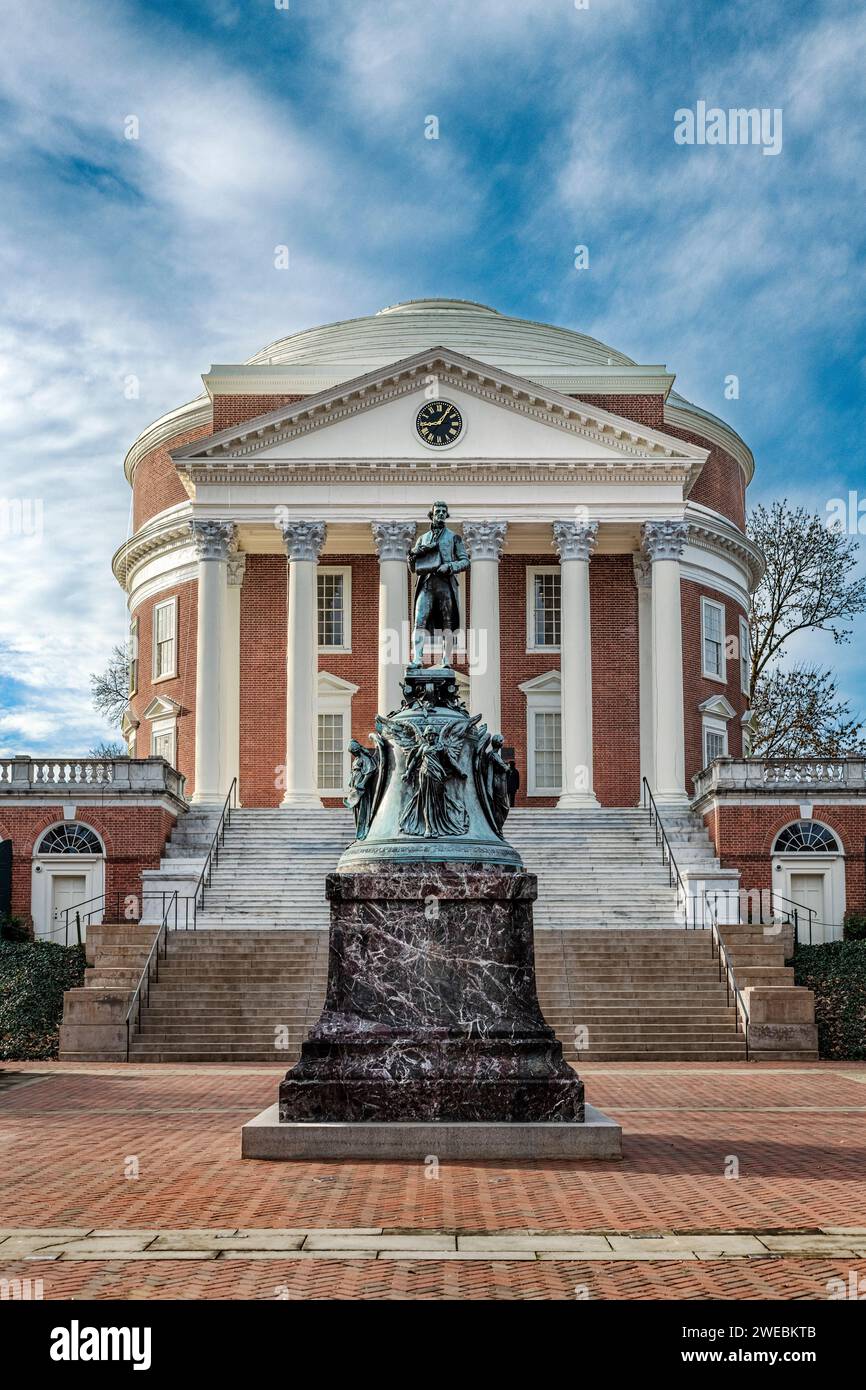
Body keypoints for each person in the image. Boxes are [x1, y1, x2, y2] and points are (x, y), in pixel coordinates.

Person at [408, 500, 468, 667]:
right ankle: (418, 659)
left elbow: (465, 561)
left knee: (447, 624)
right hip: (426, 584)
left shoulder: (453, 537)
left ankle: (446, 660)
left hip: (445, 584)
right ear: (432, 514)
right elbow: (414, 568)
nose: (441, 513)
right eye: (438, 511)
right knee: (419, 621)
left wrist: (449, 567)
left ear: (446, 515)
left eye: (443, 511)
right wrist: (411, 558)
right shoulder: (422, 539)